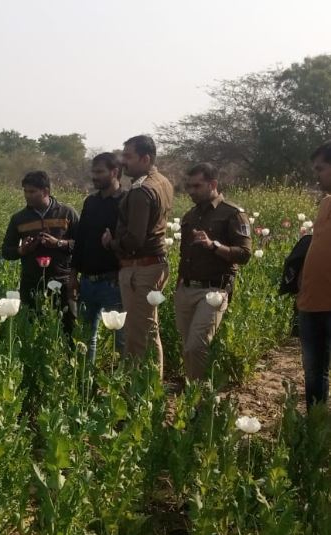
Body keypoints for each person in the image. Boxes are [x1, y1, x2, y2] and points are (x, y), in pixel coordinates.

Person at [102, 135, 173, 376]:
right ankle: (150, 384)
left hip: (141, 267)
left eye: (129, 157)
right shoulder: (162, 182)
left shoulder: (142, 190)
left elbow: (135, 239)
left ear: (146, 158)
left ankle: (140, 389)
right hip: (153, 264)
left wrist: (112, 243)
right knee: (148, 328)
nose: (123, 162)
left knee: (137, 332)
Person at [175, 163, 251, 382]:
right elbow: (184, 255)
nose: (191, 191)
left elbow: (245, 254)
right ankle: (194, 397)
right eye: (188, 186)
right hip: (187, 289)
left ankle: (199, 399)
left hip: (214, 290)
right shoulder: (190, 216)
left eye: (196, 186)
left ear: (213, 184)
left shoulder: (232, 214)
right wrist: (179, 286)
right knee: (187, 348)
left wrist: (214, 246)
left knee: (196, 346)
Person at [1, 170, 79, 336]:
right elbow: (6, 251)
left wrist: (58, 243)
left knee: (68, 330)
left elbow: (82, 245)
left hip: (62, 282)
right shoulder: (19, 219)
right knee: (31, 329)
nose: (27, 195)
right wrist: (23, 250)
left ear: (46, 191)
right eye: (25, 191)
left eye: (32, 192)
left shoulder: (67, 213)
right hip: (32, 282)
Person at [70, 153, 125, 362]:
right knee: (85, 337)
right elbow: (80, 241)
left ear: (114, 172)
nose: (95, 176)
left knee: (121, 338)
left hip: (113, 281)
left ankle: (121, 389)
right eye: (93, 172)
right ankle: (87, 386)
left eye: (100, 172)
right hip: (87, 281)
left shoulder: (125, 201)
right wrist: (73, 276)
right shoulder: (91, 202)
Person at [296, 141, 331, 407]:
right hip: (311, 304)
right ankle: (314, 427)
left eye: (320, 168)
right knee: (313, 372)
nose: (316, 174)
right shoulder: (324, 204)